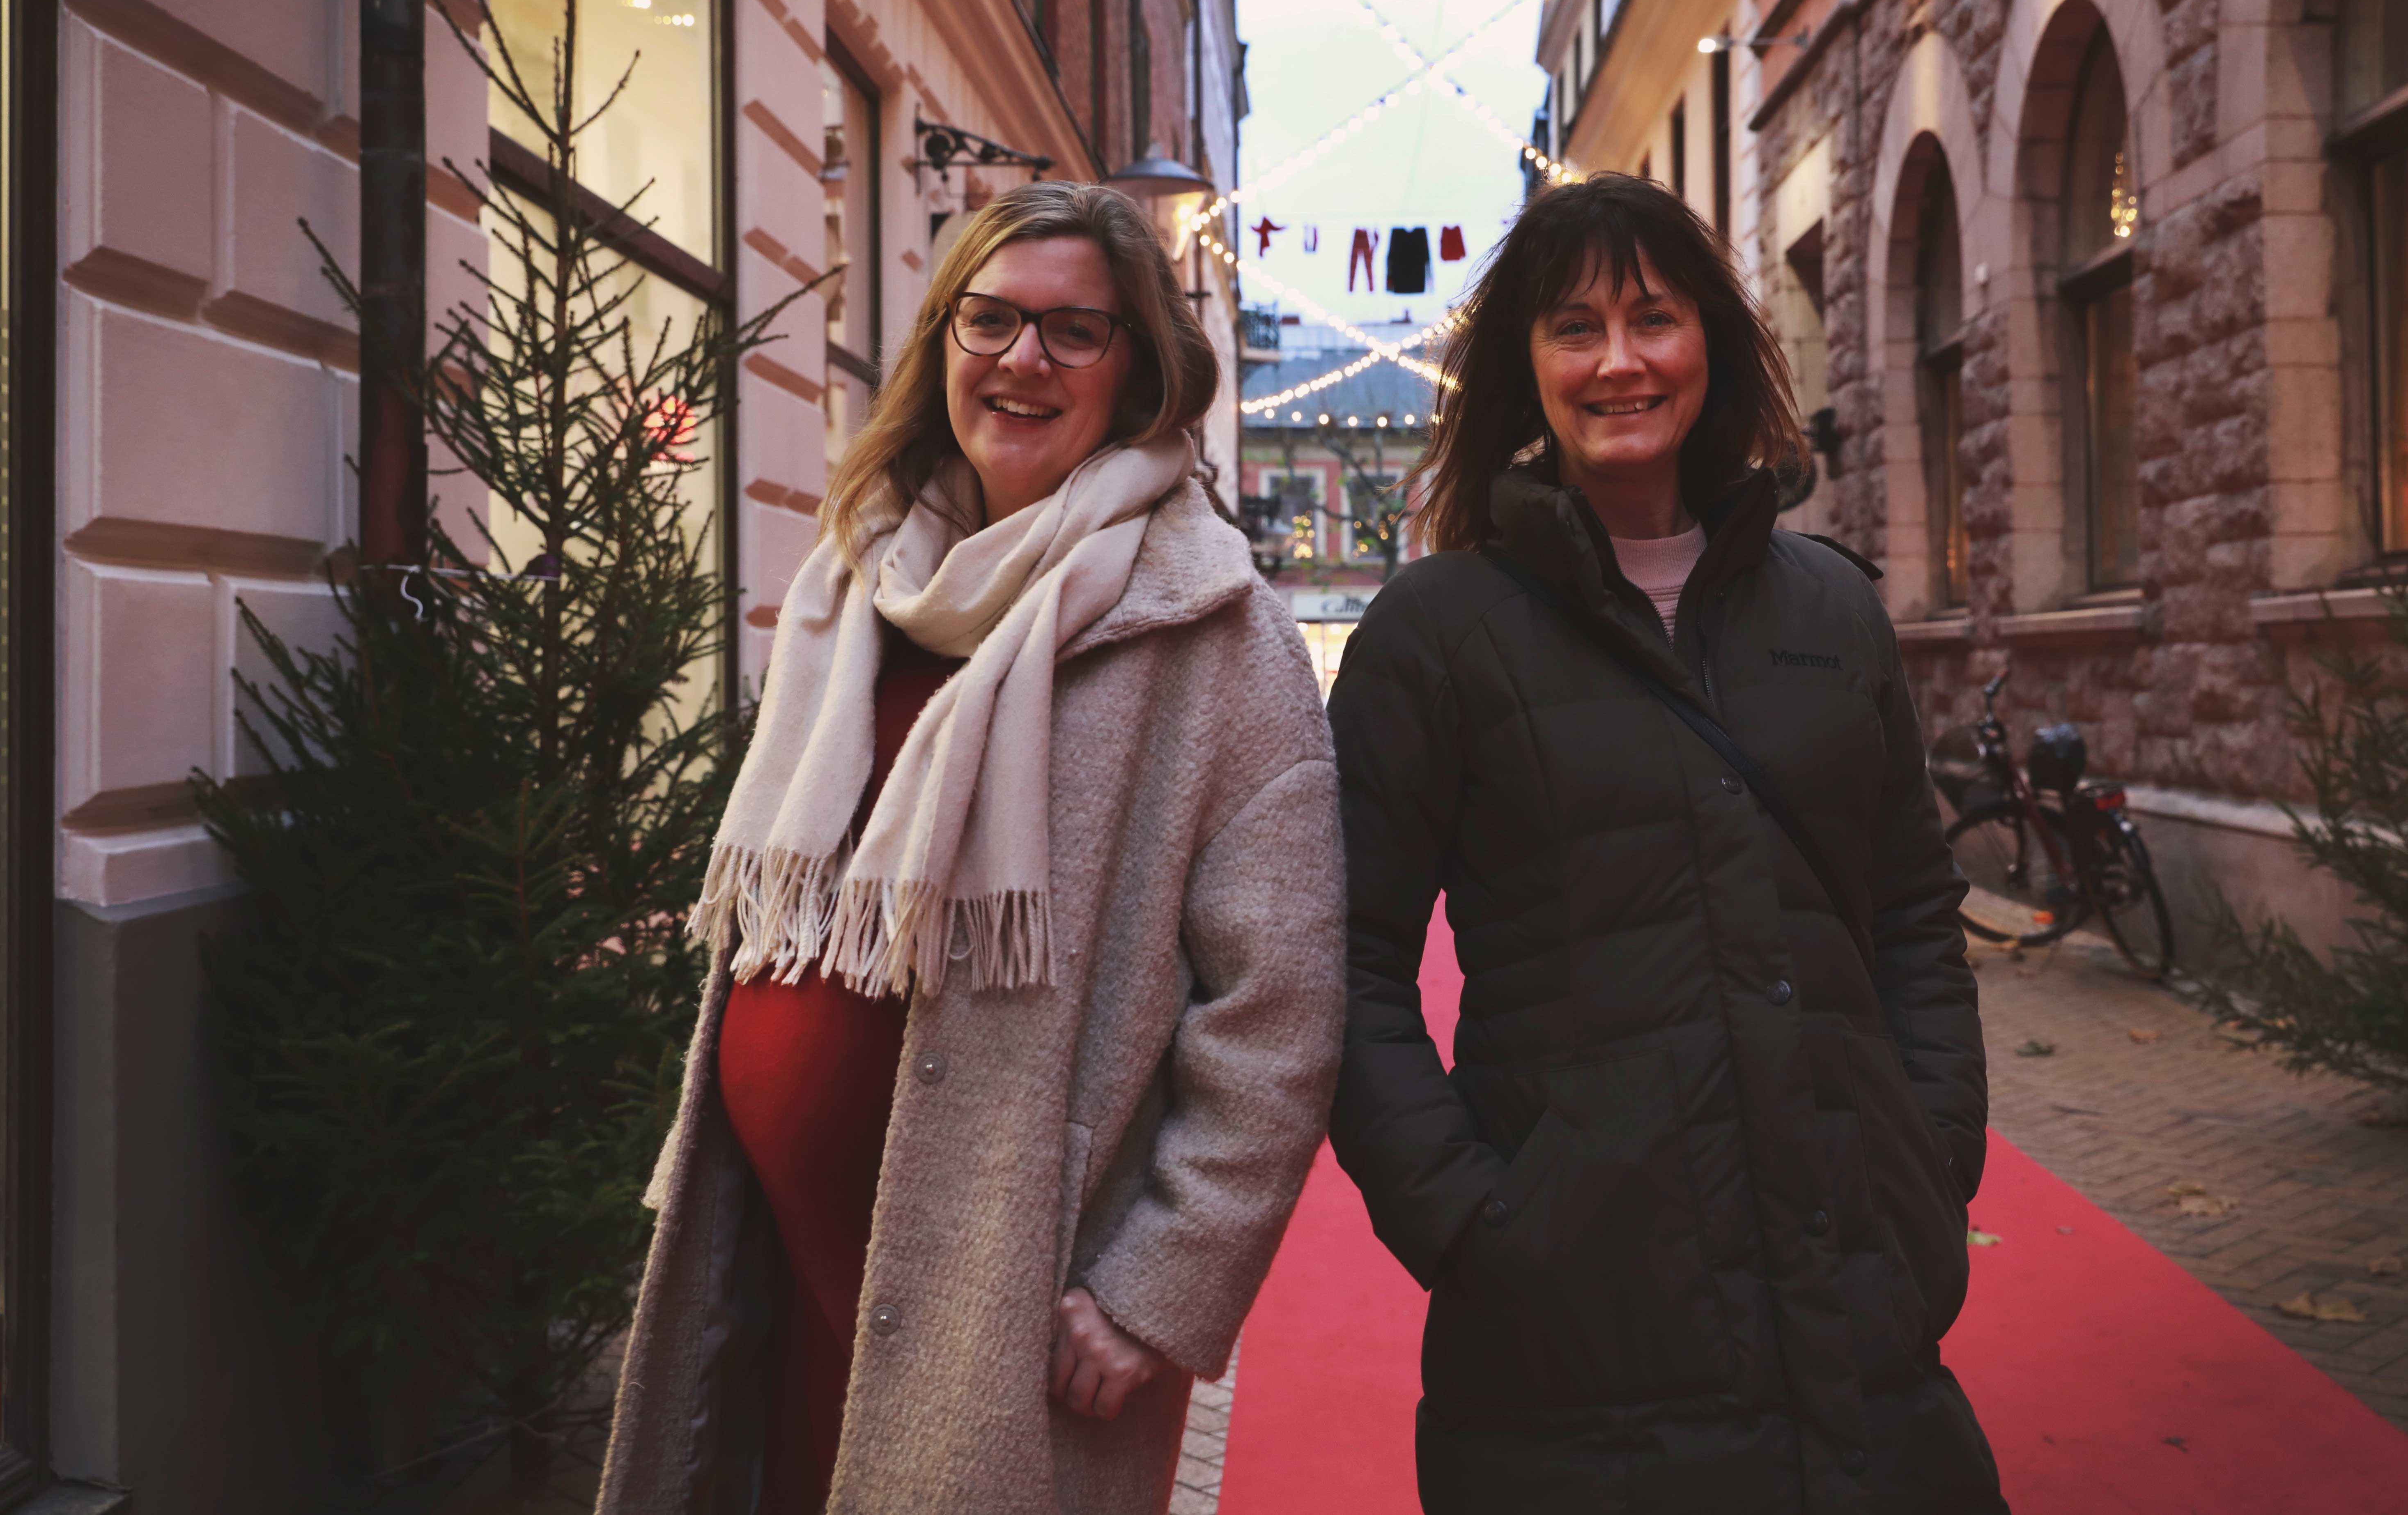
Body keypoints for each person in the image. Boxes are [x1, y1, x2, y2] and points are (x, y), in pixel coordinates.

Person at [597, 181, 1345, 1515]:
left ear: (1137, 369)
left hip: (1006, 1300)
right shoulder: (857, 583)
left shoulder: (1218, 634)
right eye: (988, 319)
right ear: (941, 340)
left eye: (1073, 330)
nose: (1021, 359)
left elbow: (1279, 1008)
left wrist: (1157, 1288)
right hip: (776, 1254)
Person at [1325, 173, 2004, 1513]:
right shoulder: (1435, 632)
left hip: (1854, 1290)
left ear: (1711, 342)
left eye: (1653, 317)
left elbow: (1915, 913)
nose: (1619, 360)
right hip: (1570, 1343)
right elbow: (1342, 959)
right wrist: (1468, 1219)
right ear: (1526, 367)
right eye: (1575, 328)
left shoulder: (1831, 609)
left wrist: (1930, 1151)